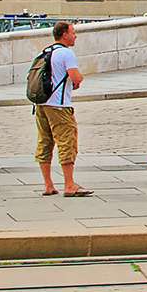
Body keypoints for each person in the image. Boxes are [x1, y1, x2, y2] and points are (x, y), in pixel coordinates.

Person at [34, 20, 89, 197]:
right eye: (73, 33)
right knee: (67, 142)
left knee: (45, 142)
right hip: (59, 105)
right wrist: (79, 78)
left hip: (41, 104)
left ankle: (48, 185)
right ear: (64, 34)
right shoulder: (66, 53)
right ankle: (69, 184)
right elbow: (75, 77)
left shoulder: (47, 51)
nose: (75, 36)